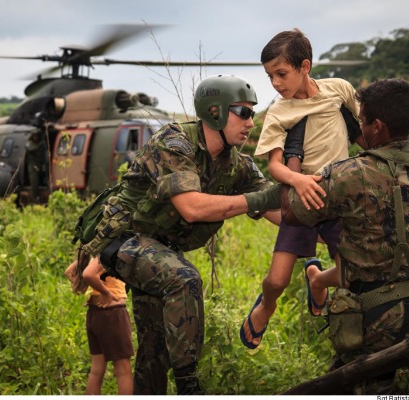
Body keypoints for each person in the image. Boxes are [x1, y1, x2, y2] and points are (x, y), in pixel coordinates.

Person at [73, 74, 281, 395]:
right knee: (183, 279)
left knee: (154, 352)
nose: (251, 122)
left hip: (158, 249)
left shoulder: (235, 164)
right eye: (244, 112)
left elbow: (276, 206)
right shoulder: (174, 143)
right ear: (216, 112)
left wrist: (319, 209)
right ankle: (188, 384)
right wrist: (257, 200)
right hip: (123, 240)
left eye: (252, 113)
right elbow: (192, 208)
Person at [282, 78, 409, 394]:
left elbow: (293, 213)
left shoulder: (348, 175)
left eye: (362, 121)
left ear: (378, 127)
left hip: (372, 321)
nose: (360, 127)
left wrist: (293, 159)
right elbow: (407, 156)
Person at [240, 28, 360, 349]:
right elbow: (275, 167)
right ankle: (266, 306)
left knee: (350, 273)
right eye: (270, 76)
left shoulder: (339, 90)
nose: (276, 84)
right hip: (301, 200)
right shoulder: (279, 111)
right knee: (277, 280)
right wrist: (299, 180)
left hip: (338, 201)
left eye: (281, 74)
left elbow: (364, 131)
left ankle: (317, 279)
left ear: (304, 67)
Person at [65, 257, 134, 395]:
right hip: (112, 314)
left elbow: (69, 271)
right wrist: (106, 293)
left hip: (95, 314)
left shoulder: (93, 252)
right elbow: (89, 274)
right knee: (123, 371)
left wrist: (90, 290)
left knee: (96, 371)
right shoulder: (109, 252)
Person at [24, 130, 47, 203]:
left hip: (40, 165)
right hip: (32, 166)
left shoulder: (41, 145)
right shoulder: (29, 144)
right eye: (34, 136)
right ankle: (35, 198)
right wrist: (41, 145)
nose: (36, 137)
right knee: (34, 182)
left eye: (37, 136)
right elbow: (32, 148)